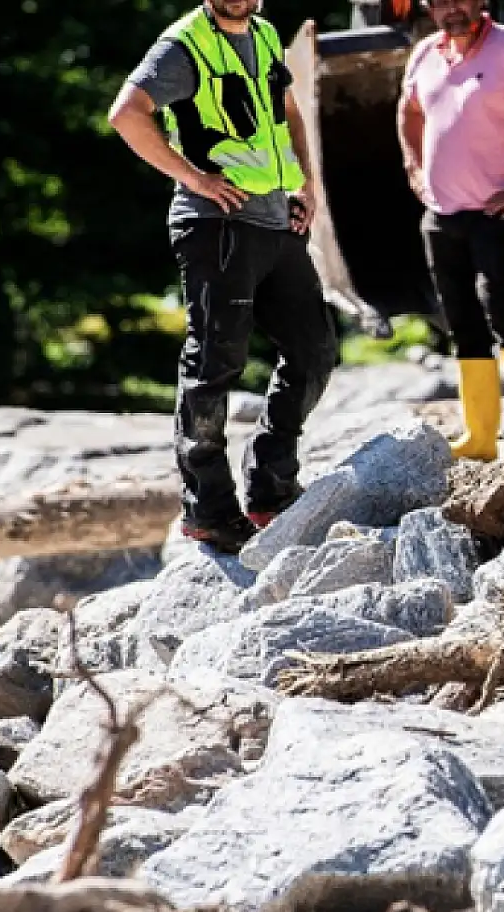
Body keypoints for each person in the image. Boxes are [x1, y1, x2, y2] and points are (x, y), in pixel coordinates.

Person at [108, 0, 335, 554]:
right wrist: (193, 178)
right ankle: (206, 508)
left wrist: (305, 185)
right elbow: (126, 114)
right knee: (215, 362)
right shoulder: (185, 43)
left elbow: (287, 109)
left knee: (316, 349)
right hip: (216, 225)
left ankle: (271, 485)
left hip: (277, 222)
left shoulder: (262, 33)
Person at [397, 0, 504, 460]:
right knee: (461, 322)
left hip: (498, 211)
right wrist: (413, 167)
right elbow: (408, 112)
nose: (450, 10)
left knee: (503, 310)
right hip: (441, 214)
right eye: (439, 2)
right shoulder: (425, 54)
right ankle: (479, 438)